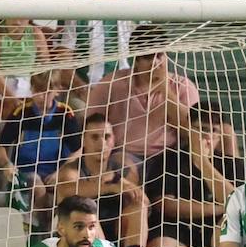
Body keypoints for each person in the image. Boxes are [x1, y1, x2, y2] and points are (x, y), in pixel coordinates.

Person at [143, 107, 243, 247]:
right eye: (201, 129)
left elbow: (237, 203)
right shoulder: (168, 159)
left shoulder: (230, 164)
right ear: (188, 130)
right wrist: (217, 207)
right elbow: (166, 204)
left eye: (213, 130)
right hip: (178, 236)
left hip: (216, 243)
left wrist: (202, 162)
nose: (207, 136)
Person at [84, 25, 202, 163]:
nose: (154, 63)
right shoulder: (111, 83)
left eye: (159, 55)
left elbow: (191, 131)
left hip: (168, 155)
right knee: (124, 168)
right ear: (136, 59)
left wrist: (164, 89)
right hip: (123, 154)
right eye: (148, 57)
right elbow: (90, 127)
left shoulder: (182, 85)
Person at [54, 112, 148, 247]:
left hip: (116, 229)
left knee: (138, 207)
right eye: (95, 137)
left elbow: (144, 201)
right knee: (88, 217)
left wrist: (121, 182)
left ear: (113, 140)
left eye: (106, 137)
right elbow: (69, 190)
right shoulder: (71, 170)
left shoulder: (124, 168)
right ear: (84, 140)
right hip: (80, 238)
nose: (102, 143)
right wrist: (110, 186)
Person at [0, 69, 80, 216]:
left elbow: (78, 150)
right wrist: (7, 164)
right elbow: (0, 146)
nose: (41, 97)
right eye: (37, 91)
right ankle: (38, 226)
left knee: (70, 186)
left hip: (55, 172)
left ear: (57, 91)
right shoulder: (21, 113)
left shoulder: (65, 114)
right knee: (36, 184)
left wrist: (60, 172)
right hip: (25, 171)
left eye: (47, 92)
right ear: (32, 89)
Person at [61, 0, 135, 90]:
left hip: (129, 93)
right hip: (84, 92)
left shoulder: (138, 12)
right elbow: (64, 65)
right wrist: (83, 92)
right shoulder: (76, 11)